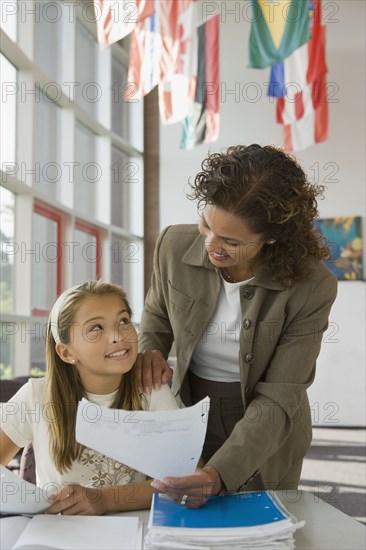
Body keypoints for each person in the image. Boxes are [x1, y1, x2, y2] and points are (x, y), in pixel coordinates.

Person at [137, 144, 338, 508]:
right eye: (206, 225)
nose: (211, 245)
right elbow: (157, 311)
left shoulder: (313, 285)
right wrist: (149, 348)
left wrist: (217, 475)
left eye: (231, 241)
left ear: (272, 238)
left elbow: (280, 394)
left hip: (266, 420)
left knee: (261, 526)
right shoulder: (171, 245)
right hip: (188, 405)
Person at [0, 280, 178, 515]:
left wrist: (105, 500)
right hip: (56, 533)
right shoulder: (36, 396)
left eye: (123, 321)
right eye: (96, 328)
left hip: (131, 532)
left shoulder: (150, 389)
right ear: (66, 352)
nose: (118, 336)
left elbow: (189, 480)